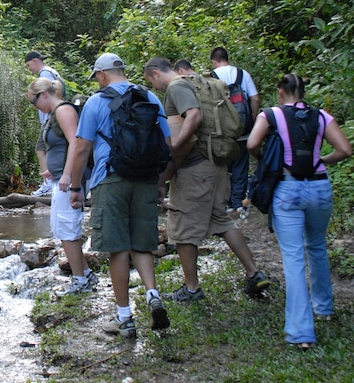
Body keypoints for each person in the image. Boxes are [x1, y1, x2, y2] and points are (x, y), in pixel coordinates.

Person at [143, 57, 269, 303]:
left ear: (156, 73)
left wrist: (170, 161)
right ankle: (254, 273)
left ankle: (191, 288)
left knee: (182, 229)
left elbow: (193, 118)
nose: (154, 88)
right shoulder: (198, 81)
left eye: (151, 82)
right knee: (221, 220)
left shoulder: (177, 87)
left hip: (194, 168)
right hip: (216, 164)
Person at [68, 53, 170, 337]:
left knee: (118, 248)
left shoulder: (96, 102)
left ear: (101, 75)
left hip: (110, 179)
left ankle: (125, 317)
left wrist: (76, 187)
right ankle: (152, 295)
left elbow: (80, 149)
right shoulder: (150, 97)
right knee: (142, 244)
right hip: (146, 178)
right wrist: (160, 182)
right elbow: (167, 144)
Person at [247, 74, 351, 349]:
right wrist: (322, 160)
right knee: (317, 246)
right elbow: (345, 149)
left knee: (293, 259)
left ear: (280, 91)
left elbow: (251, 144)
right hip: (319, 187)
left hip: (287, 188)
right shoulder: (321, 116)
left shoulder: (271, 115)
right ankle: (324, 308)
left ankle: (301, 333)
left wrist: (267, 159)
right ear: (303, 92)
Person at [27, 77, 98, 295]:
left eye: (33, 101)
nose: (34, 106)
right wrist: (54, 170)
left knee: (67, 228)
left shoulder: (63, 111)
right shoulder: (53, 115)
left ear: (44, 94)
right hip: (60, 178)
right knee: (61, 228)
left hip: (70, 180)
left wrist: (68, 174)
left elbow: (77, 143)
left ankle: (80, 280)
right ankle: (85, 274)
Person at [210, 47, 259, 213]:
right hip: (242, 127)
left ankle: (224, 201)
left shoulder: (211, 77)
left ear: (213, 61)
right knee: (241, 163)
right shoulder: (243, 74)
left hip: (222, 130)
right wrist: (252, 117)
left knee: (223, 165)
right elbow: (255, 98)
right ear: (227, 59)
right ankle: (237, 203)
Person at [25, 51, 63, 197]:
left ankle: (48, 183)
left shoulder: (44, 75)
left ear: (34, 61)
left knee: (41, 149)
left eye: (29, 65)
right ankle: (51, 181)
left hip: (49, 120)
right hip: (52, 118)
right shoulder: (51, 72)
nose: (30, 69)